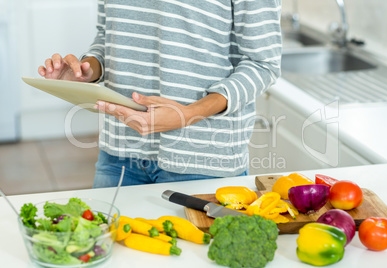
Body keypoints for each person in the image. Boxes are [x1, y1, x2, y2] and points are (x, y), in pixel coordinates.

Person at [38, 0, 282, 187]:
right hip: (120, 154)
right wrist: (86, 70)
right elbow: (107, 33)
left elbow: (262, 64)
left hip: (202, 159)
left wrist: (189, 114)